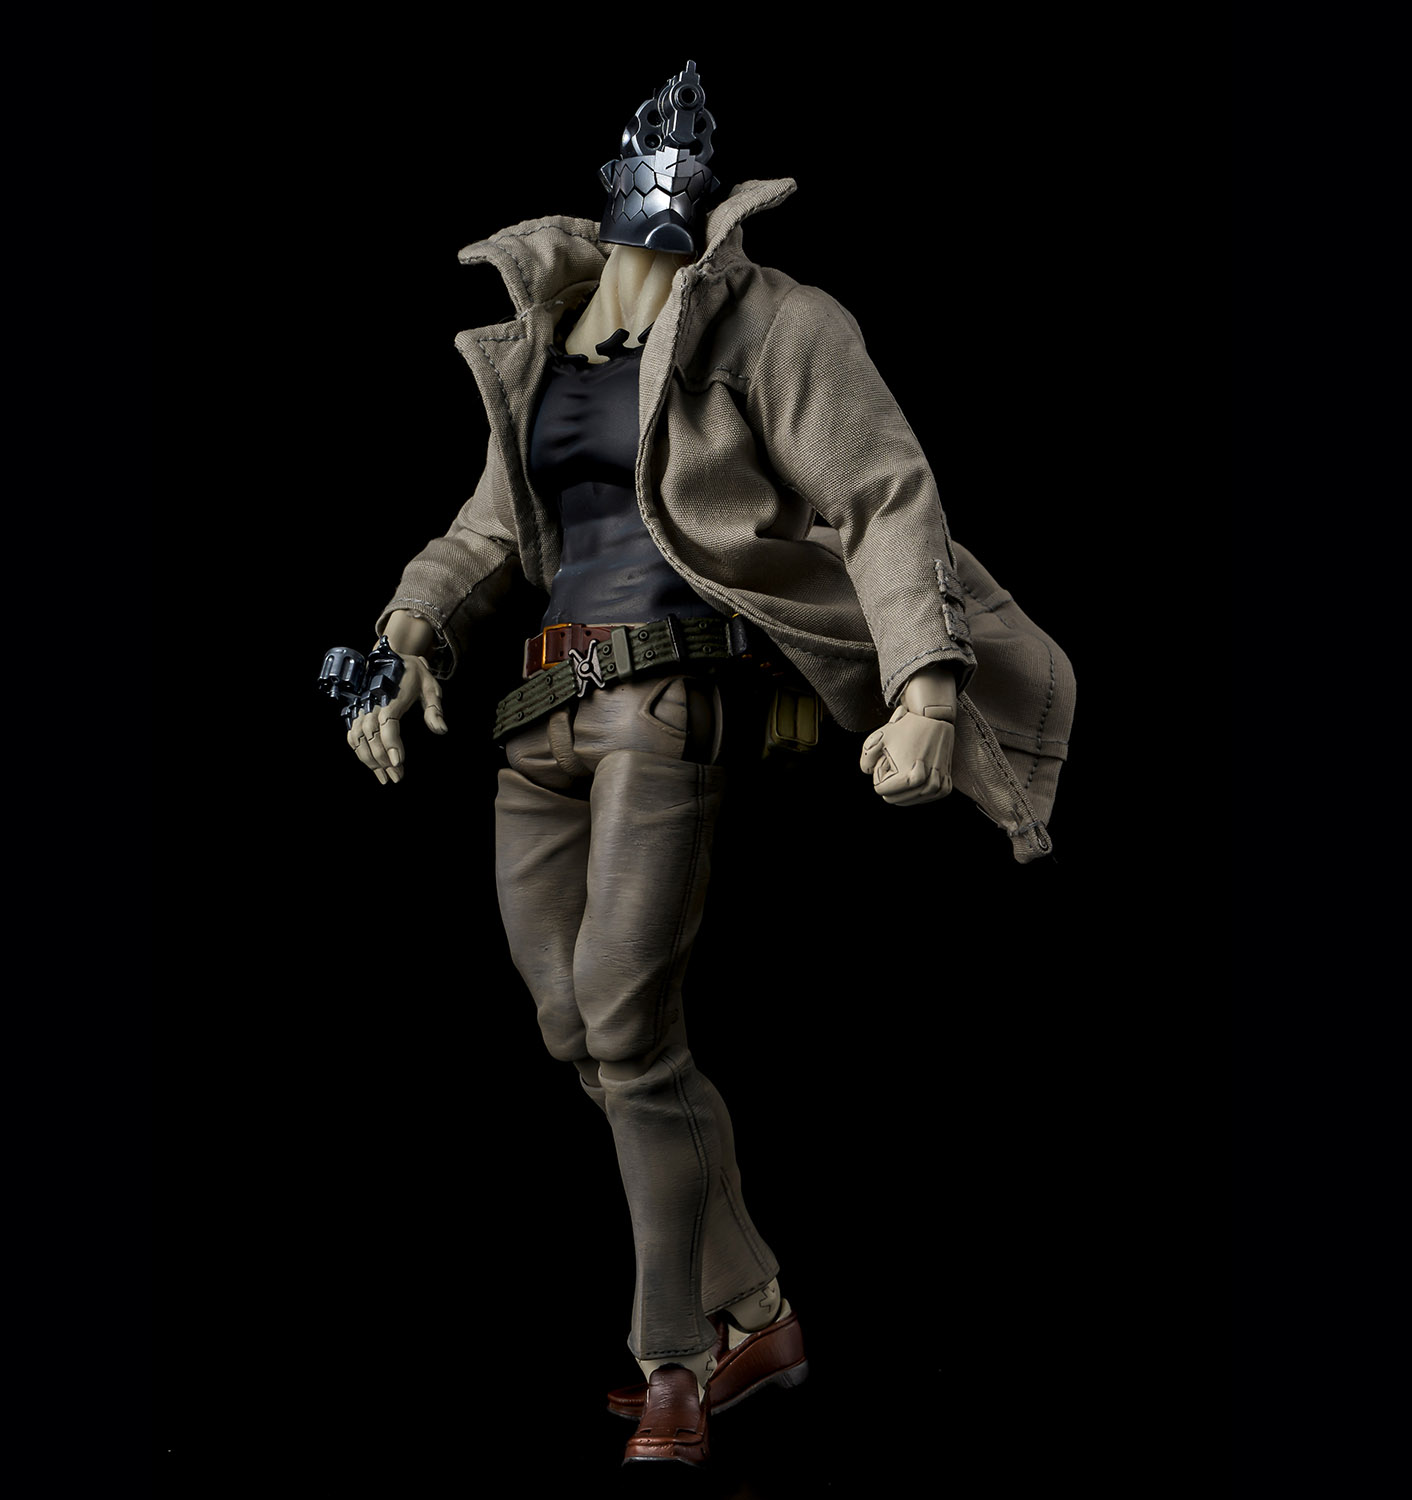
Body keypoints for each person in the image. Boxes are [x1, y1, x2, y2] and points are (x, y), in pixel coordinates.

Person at [327, 61, 1074, 1469]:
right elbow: (488, 528)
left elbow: (883, 492)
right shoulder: (548, 342)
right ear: (609, 192)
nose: (659, 219)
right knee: (586, 1038)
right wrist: (406, 638)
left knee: (625, 1031)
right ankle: (763, 1313)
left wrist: (923, 684)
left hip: (665, 710)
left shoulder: (775, 323)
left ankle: (672, 1363)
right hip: (536, 724)